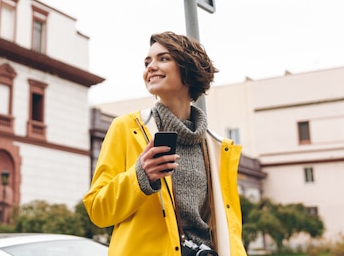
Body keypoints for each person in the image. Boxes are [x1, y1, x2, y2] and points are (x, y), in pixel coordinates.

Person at [83, 31, 247, 256]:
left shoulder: (217, 148)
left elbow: (228, 230)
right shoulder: (126, 128)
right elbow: (97, 210)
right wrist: (141, 176)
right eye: (147, 61)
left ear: (188, 69)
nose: (150, 67)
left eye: (163, 58)